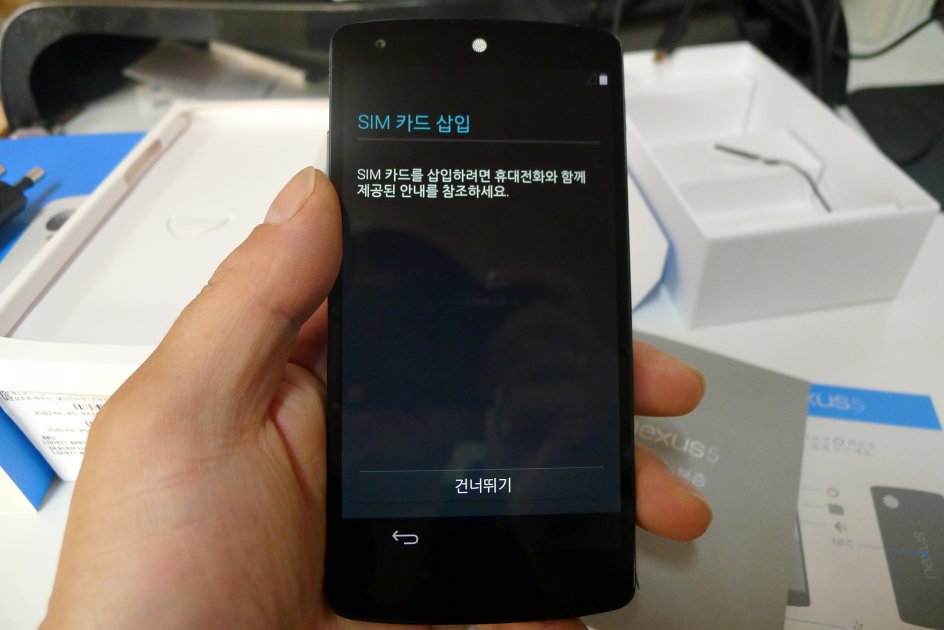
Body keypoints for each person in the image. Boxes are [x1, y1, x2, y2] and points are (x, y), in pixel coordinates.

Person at [41, 168, 712, 629]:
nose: (405, 362)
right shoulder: (282, 477)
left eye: (434, 334)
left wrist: (542, 496)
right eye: (387, 331)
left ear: (484, 339)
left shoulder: (510, 468)